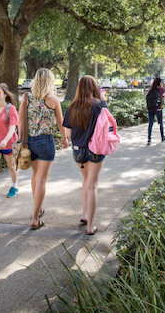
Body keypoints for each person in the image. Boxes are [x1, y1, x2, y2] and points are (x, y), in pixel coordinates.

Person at [20, 68, 68, 230]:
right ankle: (34, 219)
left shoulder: (26, 98)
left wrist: (22, 141)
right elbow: (61, 122)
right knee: (41, 179)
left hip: (29, 141)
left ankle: (38, 208)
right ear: (50, 81)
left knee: (35, 176)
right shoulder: (53, 100)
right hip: (45, 142)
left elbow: (21, 122)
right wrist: (64, 138)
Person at [63, 76, 108, 236]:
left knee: (86, 181)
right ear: (94, 87)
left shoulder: (72, 107)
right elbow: (107, 126)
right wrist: (104, 101)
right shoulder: (99, 105)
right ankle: (90, 226)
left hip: (78, 150)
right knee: (92, 185)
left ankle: (85, 215)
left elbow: (68, 133)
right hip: (95, 150)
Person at [146, 77, 165, 145]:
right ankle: (162, 136)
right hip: (158, 108)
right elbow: (163, 98)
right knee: (161, 123)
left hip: (150, 108)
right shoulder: (161, 89)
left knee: (150, 124)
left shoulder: (151, 90)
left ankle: (149, 139)